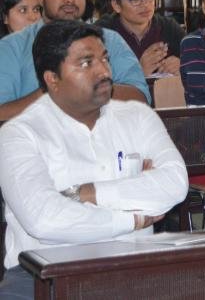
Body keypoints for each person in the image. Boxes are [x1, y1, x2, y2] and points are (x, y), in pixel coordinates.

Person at [0, 20, 188, 296]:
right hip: (45, 275)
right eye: (86, 63)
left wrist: (86, 193)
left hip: (133, 267)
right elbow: (44, 220)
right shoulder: (18, 134)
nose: (104, 71)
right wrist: (132, 220)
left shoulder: (137, 117)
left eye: (104, 59)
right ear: (52, 79)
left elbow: (175, 184)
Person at [0, 0, 150, 122]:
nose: (70, 0)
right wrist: (50, 92)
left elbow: (140, 99)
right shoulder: (12, 47)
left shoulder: (110, 40)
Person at [97, 0, 184, 76]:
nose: (146, 4)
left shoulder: (169, 27)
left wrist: (183, 66)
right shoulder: (102, 34)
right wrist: (138, 72)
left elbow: (195, 64)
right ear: (116, 5)